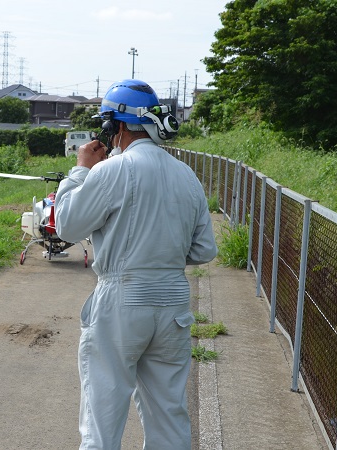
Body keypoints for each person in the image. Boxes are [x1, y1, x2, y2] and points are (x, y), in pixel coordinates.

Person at [54, 79, 217, 450]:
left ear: (117, 126)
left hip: (121, 300)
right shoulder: (186, 175)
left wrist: (80, 170)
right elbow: (205, 249)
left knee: (103, 416)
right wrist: (165, 255)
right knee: (168, 413)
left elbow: (66, 225)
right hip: (174, 301)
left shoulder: (110, 171)